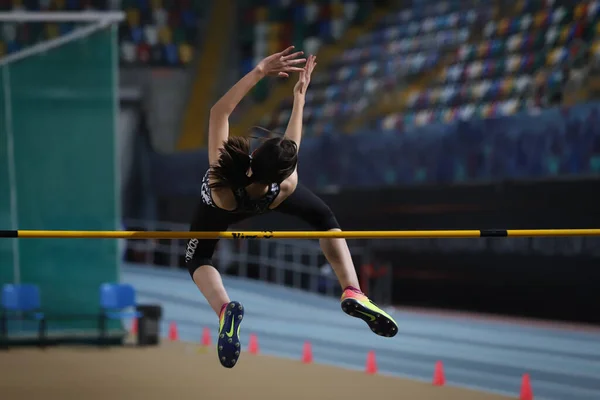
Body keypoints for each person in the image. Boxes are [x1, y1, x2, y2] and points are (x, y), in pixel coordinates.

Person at [185, 47, 398, 369]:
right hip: (267, 199)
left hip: (220, 207)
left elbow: (219, 113)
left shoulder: (222, 174)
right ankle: (353, 290)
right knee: (324, 218)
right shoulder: (286, 184)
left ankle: (225, 308)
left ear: (255, 156)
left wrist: (259, 71)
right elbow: (291, 149)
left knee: (198, 257)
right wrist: (300, 97)